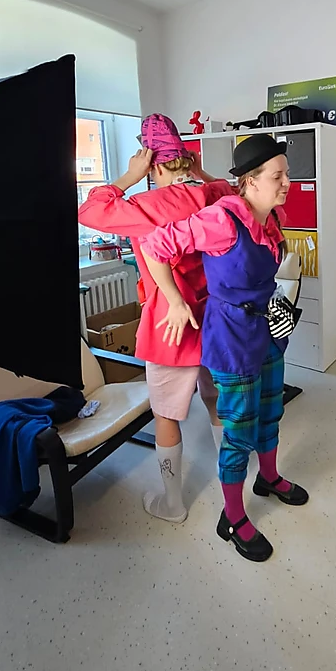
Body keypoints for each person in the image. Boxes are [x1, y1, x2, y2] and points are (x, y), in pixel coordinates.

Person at [140, 134, 308, 563]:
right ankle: (232, 517)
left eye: (286, 174)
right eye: (278, 176)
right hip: (231, 337)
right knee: (239, 429)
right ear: (250, 181)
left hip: (265, 328)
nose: (286, 182)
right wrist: (175, 302)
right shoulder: (221, 219)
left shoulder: (269, 217)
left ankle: (268, 477)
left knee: (271, 408)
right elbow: (155, 246)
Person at [78, 113, 236, 523]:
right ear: (184, 158)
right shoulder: (211, 194)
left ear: (152, 163)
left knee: (166, 414)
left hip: (171, 321)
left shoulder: (145, 206)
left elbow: (89, 211)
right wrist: (199, 171)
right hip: (212, 315)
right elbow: (233, 188)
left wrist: (129, 177)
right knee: (215, 398)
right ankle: (230, 479)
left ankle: (173, 504)